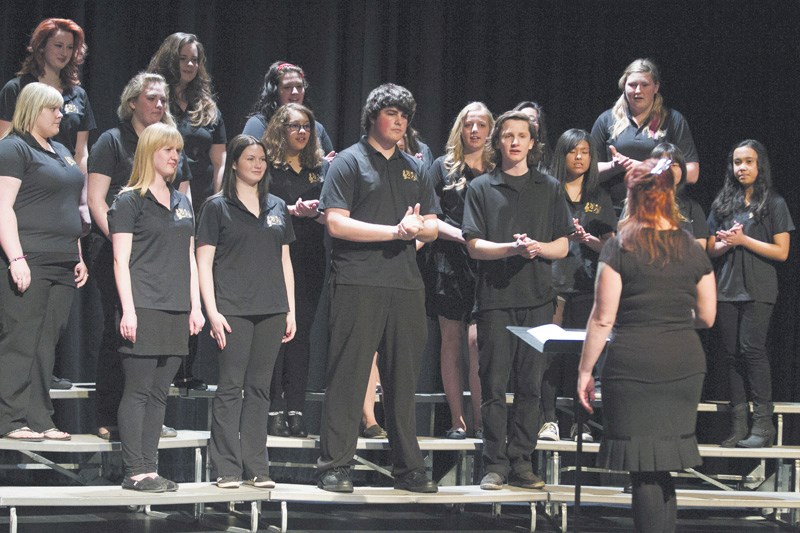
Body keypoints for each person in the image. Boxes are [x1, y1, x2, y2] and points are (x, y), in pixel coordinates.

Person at [578, 158, 716, 532]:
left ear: (633, 198)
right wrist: (671, 320)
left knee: (644, 469)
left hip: (636, 365)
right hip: (684, 365)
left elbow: (603, 318)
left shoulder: (620, 247)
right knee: (660, 465)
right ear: (670, 196)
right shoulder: (691, 248)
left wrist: (585, 370)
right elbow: (707, 316)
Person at [316, 83, 439, 494]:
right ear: (373, 117)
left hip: (405, 285)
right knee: (348, 377)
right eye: (391, 112)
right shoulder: (349, 162)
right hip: (357, 280)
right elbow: (335, 222)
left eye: (405, 114)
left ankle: (409, 469)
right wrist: (395, 231)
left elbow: (433, 225)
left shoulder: (415, 166)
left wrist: (416, 233)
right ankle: (334, 465)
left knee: (403, 382)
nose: (400, 120)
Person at [462, 110, 572, 491]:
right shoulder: (481, 188)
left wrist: (539, 248)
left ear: (531, 142)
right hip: (494, 300)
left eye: (521, 136)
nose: (514, 142)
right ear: (498, 142)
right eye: (507, 135)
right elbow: (473, 246)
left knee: (530, 384)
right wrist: (511, 248)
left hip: (538, 300)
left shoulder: (550, 187)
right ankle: (494, 463)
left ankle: (522, 461)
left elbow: (563, 244)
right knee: (493, 385)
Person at [87, 72, 188, 441]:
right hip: (116, 245)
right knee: (121, 333)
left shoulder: (170, 146)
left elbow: (183, 200)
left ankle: (147, 419)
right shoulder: (112, 142)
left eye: (163, 99)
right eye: (151, 99)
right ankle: (109, 414)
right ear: (132, 102)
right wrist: (121, 240)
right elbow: (96, 199)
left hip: (160, 255)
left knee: (157, 341)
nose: (159, 105)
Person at [107, 122, 204, 492]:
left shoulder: (182, 202)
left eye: (177, 150)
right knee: (138, 390)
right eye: (168, 150)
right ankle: (134, 471)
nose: (175, 157)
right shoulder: (129, 200)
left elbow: (190, 258)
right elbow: (120, 261)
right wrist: (128, 310)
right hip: (143, 305)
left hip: (177, 308)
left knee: (161, 393)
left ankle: (151, 467)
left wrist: (195, 307)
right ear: (150, 153)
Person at [0, 17, 96, 390]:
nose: (64, 53)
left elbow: (81, 152)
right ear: (41, 47)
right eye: (58, 45)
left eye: (70, 47)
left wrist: (83, 202)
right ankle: (12, 411)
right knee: (22, 330)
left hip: (62, 193)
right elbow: (9, 142)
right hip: (29, 205)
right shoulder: (18, 89)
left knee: (48, 331)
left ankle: (38, 403)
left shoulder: (77, 94)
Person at [197, 134, 296, 488]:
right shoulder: (216, 207)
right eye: (250, 158)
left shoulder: (277, 207)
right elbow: (203, 262)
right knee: (230, 388)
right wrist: (212, 311)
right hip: (233, 309)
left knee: (260, 389)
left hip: (272, 308)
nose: (257, 164)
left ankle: (257, 466)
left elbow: (285, 261)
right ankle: (227, 467)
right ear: (235, 163)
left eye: (262, 159)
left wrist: (291, 311)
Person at [0, 82, 88, 441]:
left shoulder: (61, 150)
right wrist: (16, 257)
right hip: (30, 257)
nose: (60, 114)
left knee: (46, 342)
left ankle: (39, 417)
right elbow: (3, 207)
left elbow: (68, 205)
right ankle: (10, 419)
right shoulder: (12, 148)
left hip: (63, 260)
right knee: (21, 339)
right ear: (32, 109)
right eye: (52, 109)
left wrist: (78, 254)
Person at [148, 32, 227, 392]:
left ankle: (187, 365)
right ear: (170, 59)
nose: (190, 65)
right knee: (169, 274)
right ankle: (162, 364)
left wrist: (219, 201)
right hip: (161, 195)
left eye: (195, 59)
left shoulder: (208, 108)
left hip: (199, 199)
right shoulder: (156, 102)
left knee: (197, 277)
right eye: (184, 58)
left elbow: (220, 159)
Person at [707, 140, 794, 448]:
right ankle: (739, 424)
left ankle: (763, 424)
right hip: (728, 289)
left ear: (760, 166)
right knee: (731, 355)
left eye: (747, 162)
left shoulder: (773, 203)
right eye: (736, 162)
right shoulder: (723, 203)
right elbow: (710, 248)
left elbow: (782, 251)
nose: (741, 168)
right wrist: (724, 243)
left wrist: (743, 241)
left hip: (759, 289)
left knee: (752, 350)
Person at [539, 129, 615, 443]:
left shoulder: (599, 197)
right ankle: (548, 420)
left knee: (582, 356)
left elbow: (611, 247)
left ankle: (579, 422)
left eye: (585, 151)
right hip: (552, 281)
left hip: (586, 284)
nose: (580, 157)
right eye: (573, 151)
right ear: (562, 155)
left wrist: (588, 240)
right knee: (550, 355)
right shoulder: (547, 189)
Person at [425, 102, 494, 440]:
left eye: (482, 125)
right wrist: (464, 237)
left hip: (488, 263)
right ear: (460, 129)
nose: (476, 131)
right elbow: (431, 218)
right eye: (470, 124)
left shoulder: (498, 169)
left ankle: (482, 421)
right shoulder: (443, 167)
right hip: (449, 261)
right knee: (450, 342)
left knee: (477, 342)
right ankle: (458, 421)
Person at [260, 103, 326, 438]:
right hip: (274, 257)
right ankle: (272, 408)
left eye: (307, 126)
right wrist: (290, 209)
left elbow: (335, 212)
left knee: (301, 334)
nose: (301, 132)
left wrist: (318, 213)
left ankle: (296, 409)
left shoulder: (319, 168)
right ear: (280, 130)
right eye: (294, 126)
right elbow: (254, 207)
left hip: (311, 257)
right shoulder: (268, 166)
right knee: (276, 332)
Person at [591, 58, 699, 207]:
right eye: (632, 85)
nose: (638, 91)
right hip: (614, 210)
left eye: (644, 85)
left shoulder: (673, 120)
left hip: (660, 209)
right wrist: (614, 166)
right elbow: (588, 170)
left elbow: (692, 173)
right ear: (624, 86)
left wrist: (644, 168)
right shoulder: (606, 120)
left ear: (656, 87)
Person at [243, 61, 334, 156]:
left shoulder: (316, 127)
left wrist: (324, 165)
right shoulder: (258, 124)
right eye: (287, 87)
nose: (295, 92)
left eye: (299, 86)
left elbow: (331, 162)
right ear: (275, 91)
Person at [512, 101, 551, 171]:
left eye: (532, 120)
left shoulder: (547, 159)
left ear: (539, 126)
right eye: (522, 119)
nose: (527, 123)